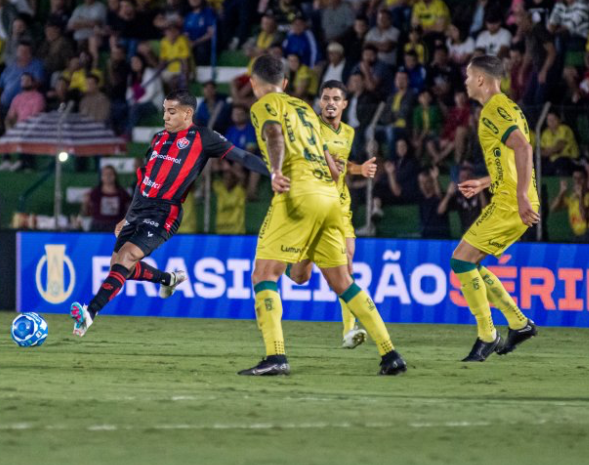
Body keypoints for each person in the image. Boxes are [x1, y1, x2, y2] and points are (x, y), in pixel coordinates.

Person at [240, 54, 406, 377]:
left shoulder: (263, 105)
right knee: (343, 281)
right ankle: (390, 354)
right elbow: (329, 158)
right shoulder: (303, 108)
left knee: (264, 275)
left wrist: (275, 172)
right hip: (331, 198)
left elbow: (274, 134)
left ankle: (276, 357)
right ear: (286, 83)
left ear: (253, 83)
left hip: (297, 193)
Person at [69, 91, 270, 336]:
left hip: (166, 211)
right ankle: (167, 279)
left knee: (127, 257)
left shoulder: (203, 137)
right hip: (140, 208)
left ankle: (90, 312)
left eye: (171, 112)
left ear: (187, 113)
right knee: (121, 267)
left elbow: (243, 156)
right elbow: (145, 181)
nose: (165, 116)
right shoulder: (158, 138)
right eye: (164, 110)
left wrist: (275, 172)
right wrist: (129, 216)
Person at [452, 55, 539, 362]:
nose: (464, 82)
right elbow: (511, 156)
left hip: (509, 203)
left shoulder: (493, 109)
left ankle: (487, 335)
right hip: (507, 197)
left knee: (461, 261)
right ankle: (518, 323)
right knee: (469, 263)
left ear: (480, 80)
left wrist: (521, 196)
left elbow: (524, 148)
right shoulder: (509, 107)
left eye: (467, 76)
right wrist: (485, 182)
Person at [286, 80, 381, 350]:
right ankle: (293, 258)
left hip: (339, 206)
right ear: (320, 102)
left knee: (348, 263)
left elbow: (340, 164)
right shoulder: (310, 129)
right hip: (313, 204)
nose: (330, 102)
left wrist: (359, 169)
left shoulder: (349, 133)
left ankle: (349, 331)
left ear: (344, 104)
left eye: (336, 98)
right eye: (326, 97)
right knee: (300, 277)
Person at [84, 165, 131, 233]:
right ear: (101, 177)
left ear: (115, 176)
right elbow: (86, 212)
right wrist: (85, 204)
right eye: (105, 174)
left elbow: (129, 211)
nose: (108, 176)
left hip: (117, 227)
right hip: (98, 227)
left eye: (110, 174)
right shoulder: (95, 193)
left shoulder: (122, 193)